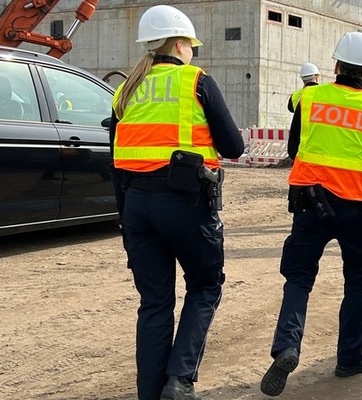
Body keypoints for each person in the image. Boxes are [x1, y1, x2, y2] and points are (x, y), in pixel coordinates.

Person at [108, 5, 244, 400]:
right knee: (204, 286)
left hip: (135, 206)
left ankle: (150, 394)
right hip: (186, 205)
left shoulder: (125, 90)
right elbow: (233, 147)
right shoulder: (196, 81)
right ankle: (180, 380)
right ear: (182, 43)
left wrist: (125, 221)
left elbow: (114, 163)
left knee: (154, 303)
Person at [260, 31, 362, 397]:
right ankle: (349, 357)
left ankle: (287, 347)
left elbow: (292, 146)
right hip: (356, 207)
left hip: (310, 203)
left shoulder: (310, 97)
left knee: (299, 280)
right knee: (357, 280)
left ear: (335, 66)